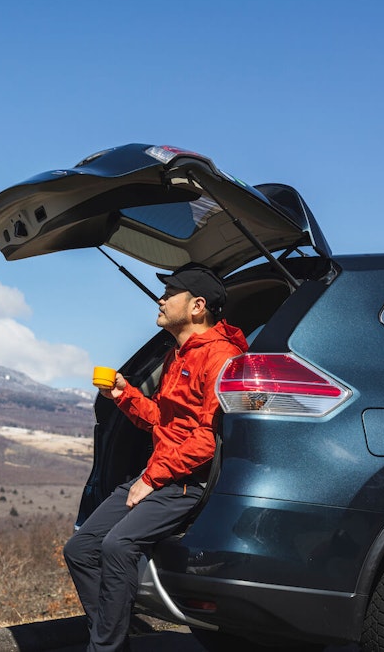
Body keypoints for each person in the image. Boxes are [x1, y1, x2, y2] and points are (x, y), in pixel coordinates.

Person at [63, 262, 248, 652]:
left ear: (197, 306)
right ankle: (112, 641)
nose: (160, 299)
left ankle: (105, 647)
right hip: (161, 474)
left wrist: (151, 478)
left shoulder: (222, 358)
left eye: (170, 293)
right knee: (79, 549)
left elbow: (207, 439)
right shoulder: (176, 356)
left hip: (186, 482)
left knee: (117, 546)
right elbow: (161, 422)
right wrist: (124, 395)